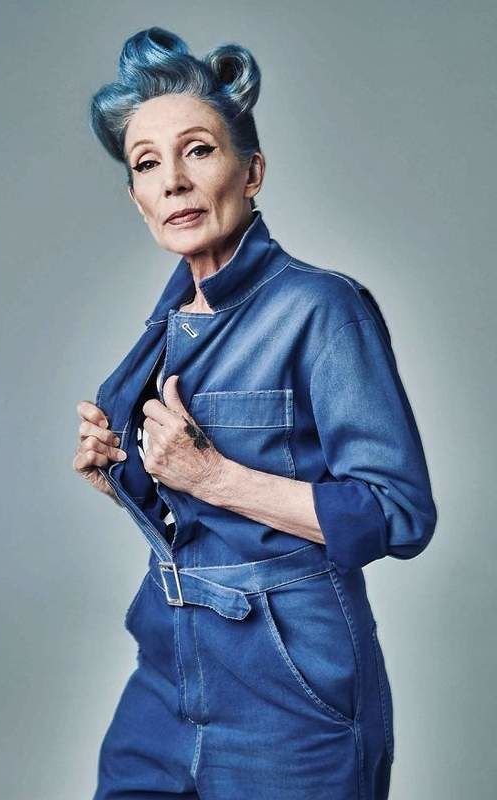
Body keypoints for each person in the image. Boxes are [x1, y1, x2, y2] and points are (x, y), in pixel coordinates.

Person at [73, 26, 437, 800]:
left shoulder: (320, 308)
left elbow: (399, 513)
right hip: (168, 670)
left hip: (290, 685)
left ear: (252, 171)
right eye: (147, 163)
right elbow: (203, 525)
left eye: (198, 151)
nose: (173, 181)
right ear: (136, 198)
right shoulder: (166, 328)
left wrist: (213, 476)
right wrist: (124, 478)